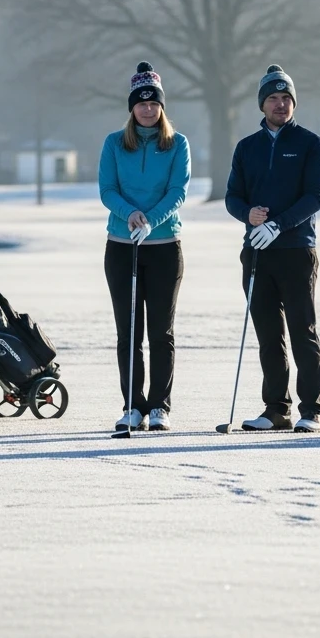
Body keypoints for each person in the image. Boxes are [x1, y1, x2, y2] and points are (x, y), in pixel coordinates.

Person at [225, 64, 320, 432]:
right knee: (269, 335)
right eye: (273, 98)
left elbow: (314, 197)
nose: (281, 104)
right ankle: (276, 409)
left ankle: (312, 410)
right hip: (256, 252)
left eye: (286, 98)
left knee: (303, 331)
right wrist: (248, 214)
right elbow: (232, 197)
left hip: (297, 250)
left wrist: (278, 224)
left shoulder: (309, 143)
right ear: (262, 104)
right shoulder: (247, 148)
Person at [99, 62, 191, 432]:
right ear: (132, 107)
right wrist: (131, 214)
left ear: (162, 107)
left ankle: (159, 407)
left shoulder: (177, 143)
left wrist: (151, 218)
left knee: (161, 332)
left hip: (164, 245)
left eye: (154, 103)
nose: (148, 109)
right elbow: (108, 189)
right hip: (122, 246)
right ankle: (132, 405)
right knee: (129, 331)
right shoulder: (114, 143)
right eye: (141, 103)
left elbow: (178, 190)